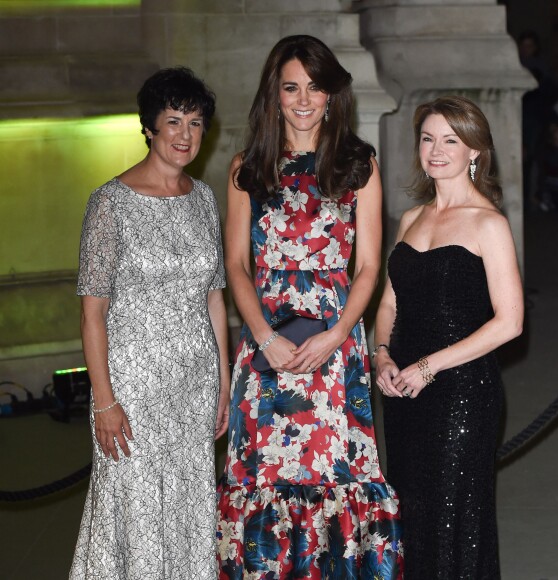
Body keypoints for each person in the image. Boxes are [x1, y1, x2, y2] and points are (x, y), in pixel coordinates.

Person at [216, 35, 403, 578]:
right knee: (264, 477)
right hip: (265, 343)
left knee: (336, 473)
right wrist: (265, 340)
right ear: (273, 95)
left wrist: (339, 335)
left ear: (331, 95)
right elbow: (236, 267)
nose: (303, 99)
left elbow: (369, 266)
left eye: (314, 87)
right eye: (291, 87)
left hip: (335, 343)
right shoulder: (245, 168)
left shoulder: (357, 163)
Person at [70, 67, 230, 579]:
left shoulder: (203, 199)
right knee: (134, 507)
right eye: (174, 121)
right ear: (149, 127)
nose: (186, 135)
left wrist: (224, 382)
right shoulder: (109, 203)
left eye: (196, 123)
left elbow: (214, 299)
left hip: (194, 383)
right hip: (133, 388)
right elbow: (92, 310)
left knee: (189, 503)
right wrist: (104, 400)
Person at [374, 95, 524, 579]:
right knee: (411, 513)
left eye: (451, 140)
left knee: (452, 520)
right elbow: (390, 303)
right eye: (427, 139)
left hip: (461, 392)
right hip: (402, 393)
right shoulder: (411, 219)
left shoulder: (489, 224)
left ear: (475, 151)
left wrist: (427, 366)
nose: (436, 150)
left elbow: (509, 322)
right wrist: (381, 356)